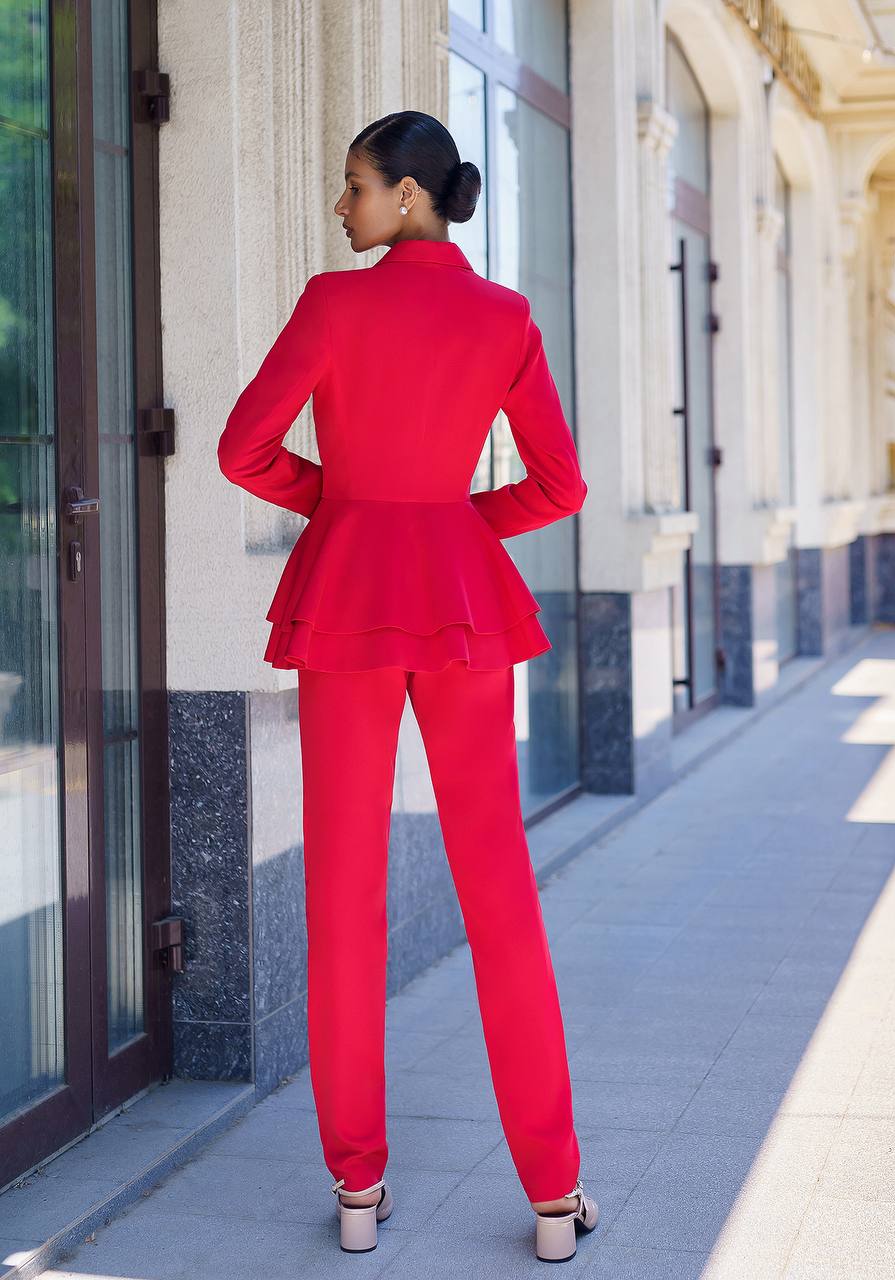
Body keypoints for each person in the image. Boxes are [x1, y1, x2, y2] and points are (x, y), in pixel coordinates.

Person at [217, 110, 598, 1263]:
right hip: (462, 609)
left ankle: (356, 1184)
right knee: (500, 896)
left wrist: (350, 512)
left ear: (410, 198)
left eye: (354, 189)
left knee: (342, 900)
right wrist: (455, 530)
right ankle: (551, 1195)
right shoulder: (506, 318)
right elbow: (561, 484)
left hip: (346, 607)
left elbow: (244, 449)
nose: (342, 210)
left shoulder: (336, 304)